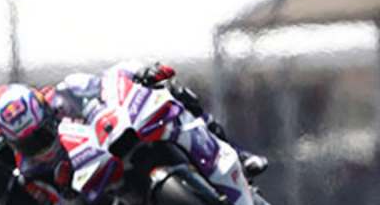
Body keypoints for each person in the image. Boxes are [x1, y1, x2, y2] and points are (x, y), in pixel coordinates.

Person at [45, 61, 268, 178]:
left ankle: (238, 154)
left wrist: (145, 73)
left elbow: (112, 79)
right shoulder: (62, 132)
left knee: (174, 92)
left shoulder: (77, 87)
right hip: (107, 159)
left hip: (127, 128)